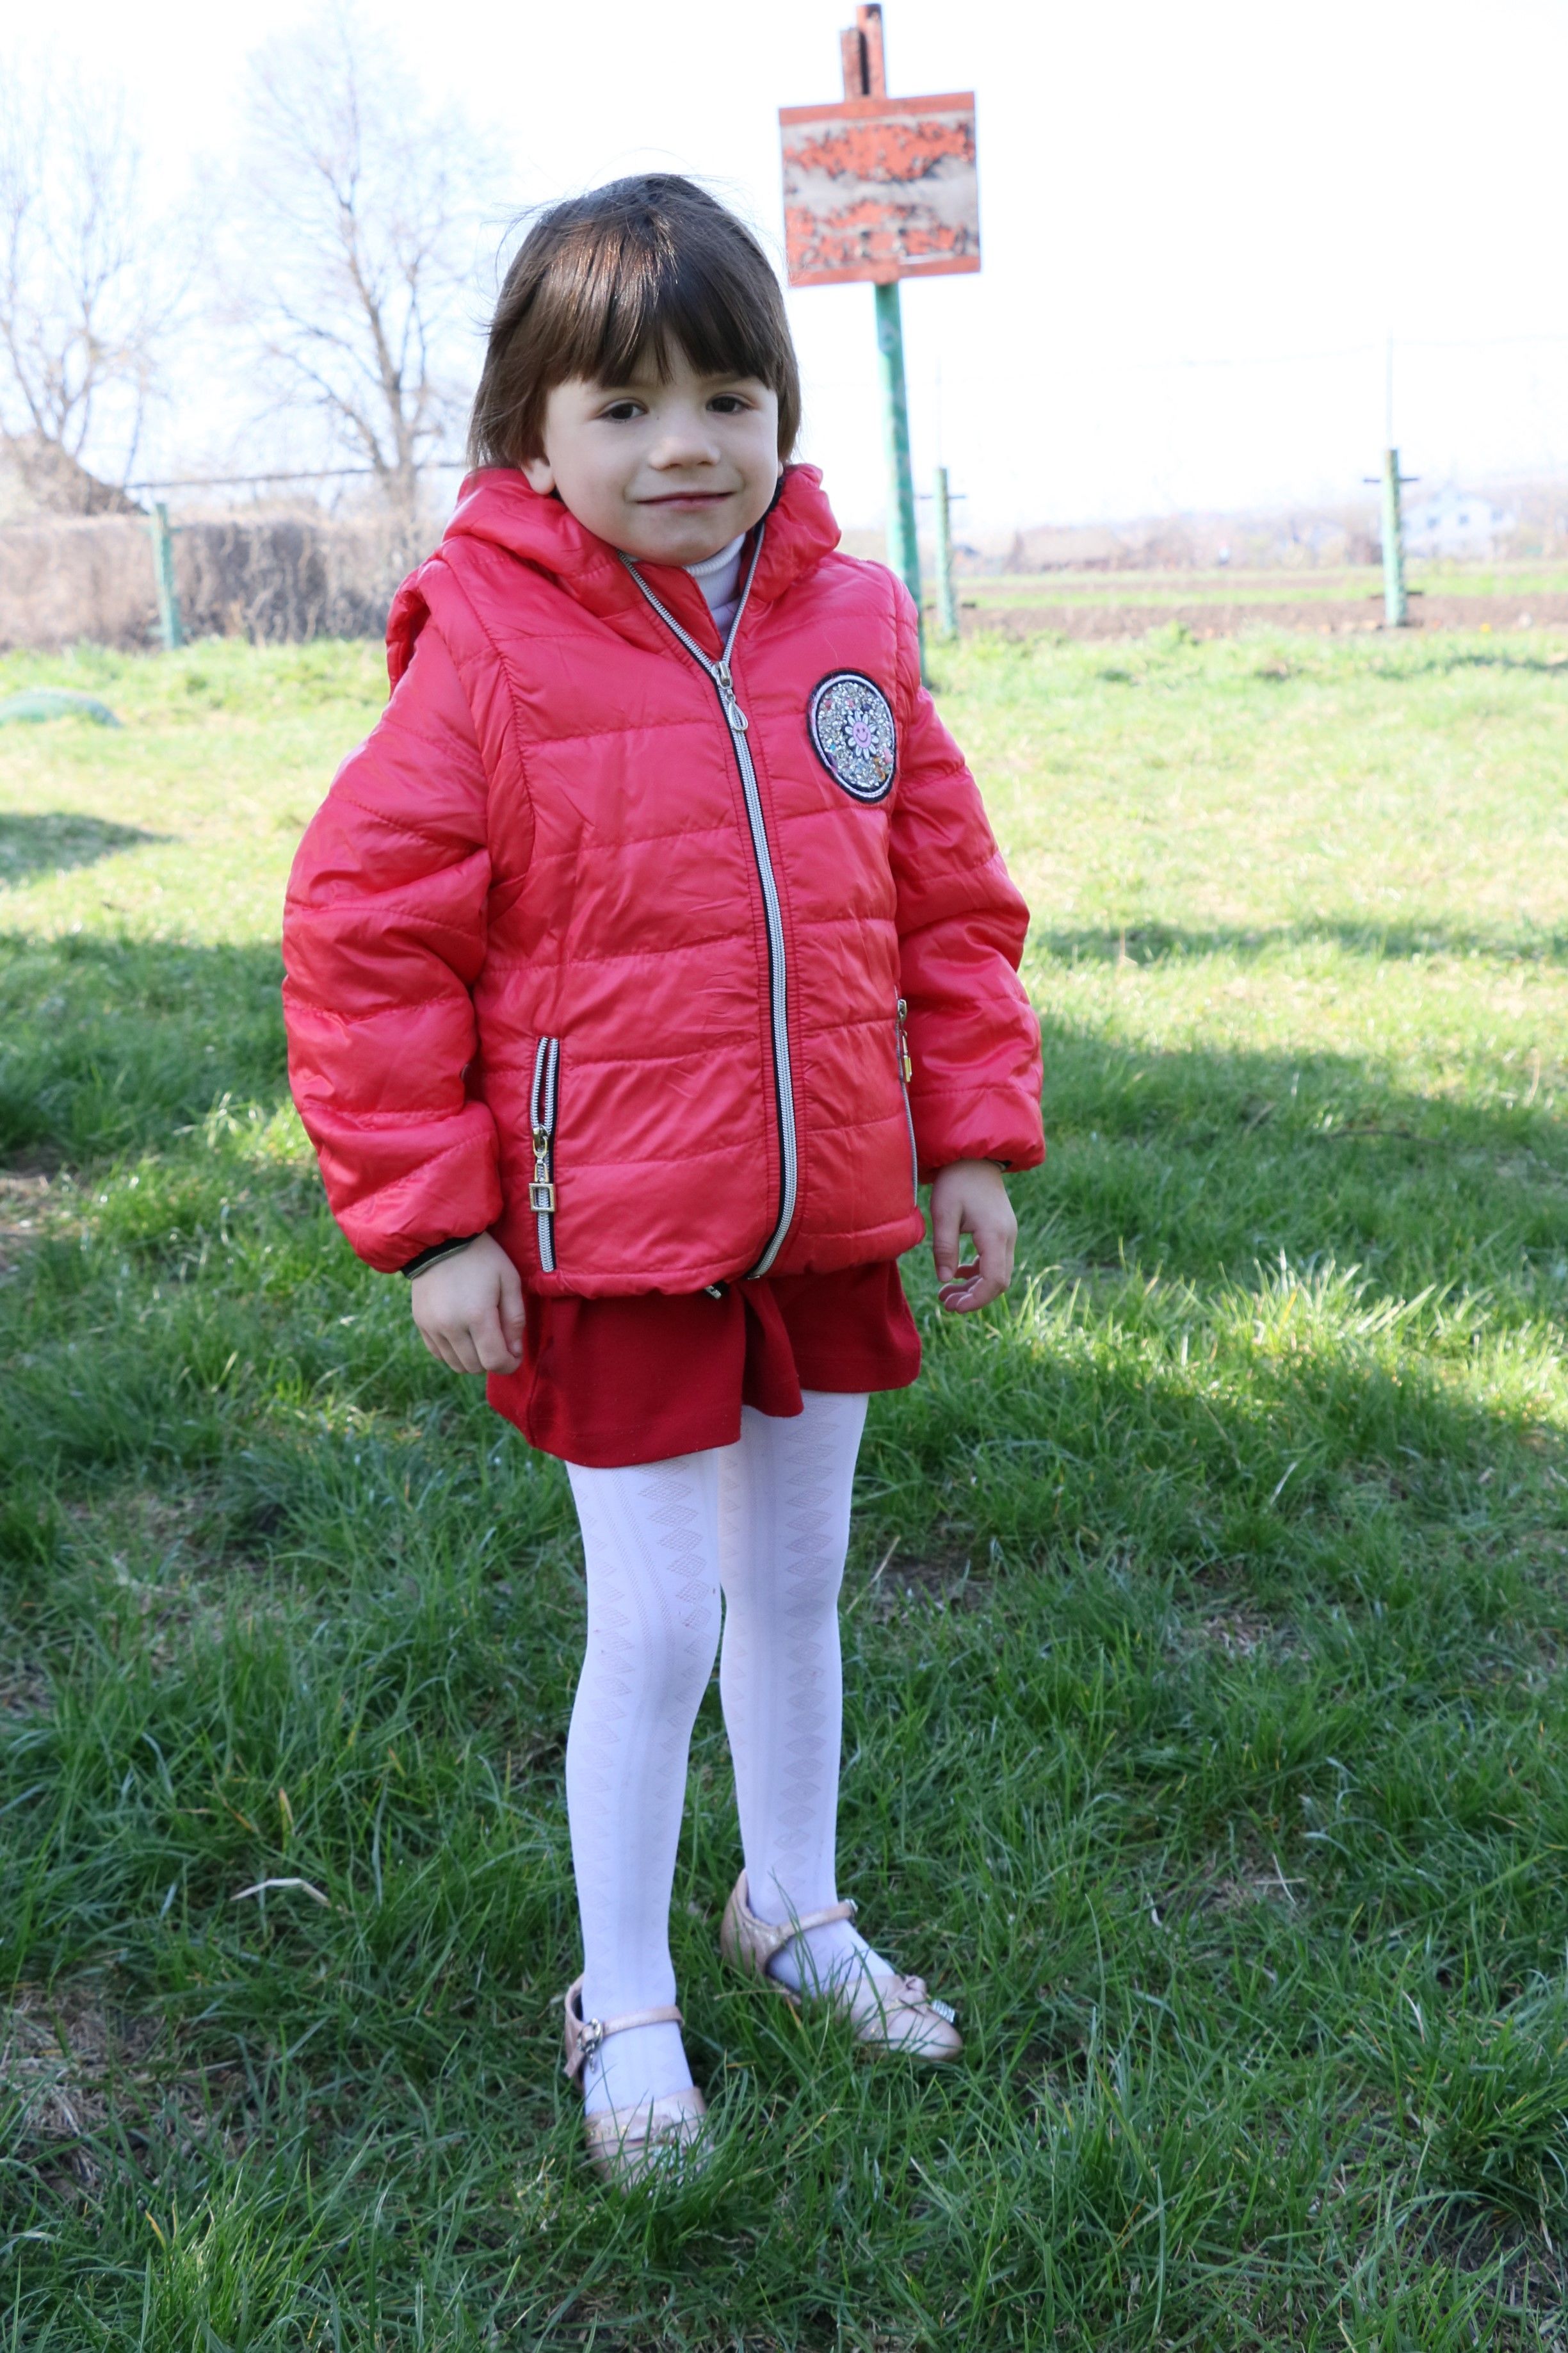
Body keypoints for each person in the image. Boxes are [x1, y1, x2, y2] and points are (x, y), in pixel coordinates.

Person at [282, 174, 1044, 2186]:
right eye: (621, 407)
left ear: (782, 410)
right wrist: (438, 1219)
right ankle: (620, 1995)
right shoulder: (487, 649)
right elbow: (365, 938)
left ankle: (788, 1903)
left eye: (724, 396)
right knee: (657, 1627)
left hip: (824, 1215)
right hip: (608, 1235)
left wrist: (967, 1132)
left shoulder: (854, 624)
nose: (682, 444)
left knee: (791, 1588)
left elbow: (947, 900)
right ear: (530, 438)